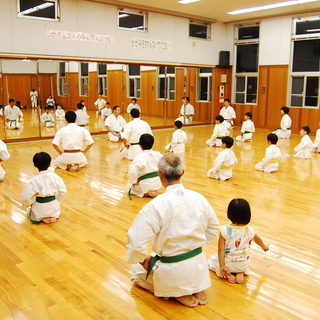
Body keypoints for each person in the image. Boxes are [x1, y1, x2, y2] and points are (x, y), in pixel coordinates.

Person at [127, 154, 220, 307]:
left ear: (160, 174)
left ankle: (176, 292)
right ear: (183, 172)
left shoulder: (155, 206)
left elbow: (136, 242)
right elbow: (214, 227)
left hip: (172, 267)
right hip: (197, 262)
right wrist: (194, 244)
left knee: (135, 272)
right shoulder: (199, 198)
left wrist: (143, 260)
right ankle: (196, 288)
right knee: (179, 258)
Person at [208, 198, 269, 284]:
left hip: (228, 265)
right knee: (240, 261)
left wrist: (222, 266)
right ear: (248, 215)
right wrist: (264, 246)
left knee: (212, 261)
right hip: (244, 264)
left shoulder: (224, 230)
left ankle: (229, 274)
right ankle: (240, 272)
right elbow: (257, 239)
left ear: (229, 214)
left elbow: (220, 250)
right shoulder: (250, 230)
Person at [21, 152, 67, 224]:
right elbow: (63, 191)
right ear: (50, 164)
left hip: (40, 207)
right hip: (54, 206)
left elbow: (26, 197)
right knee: (53, 208)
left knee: (29, 209)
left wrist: (29, 204)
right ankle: (52, 216)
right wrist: (56, 199)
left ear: (35, 165)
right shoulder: (55, 177)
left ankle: (42, 217)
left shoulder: (34, 180)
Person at [126, 134, 162, 199]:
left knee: (128, 187)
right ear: (152, 143)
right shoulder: (158, 154)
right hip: (158, 183)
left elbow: (132, 172)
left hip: (145, 184)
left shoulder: (139, 157)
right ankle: (153, 190)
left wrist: (134, 181)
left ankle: (146, 193)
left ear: (140, 145)